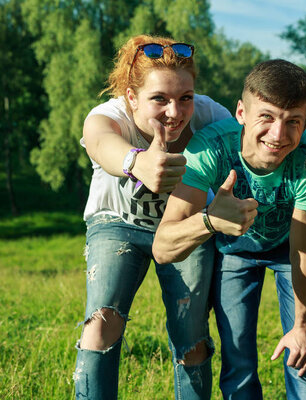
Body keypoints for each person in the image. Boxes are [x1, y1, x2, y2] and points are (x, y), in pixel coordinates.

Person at [153, 59, 306, 399]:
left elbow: (303, 250)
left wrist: (304, 326)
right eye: (266, 116)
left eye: (293, 122)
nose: (278, 135)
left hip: (290, 248)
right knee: (238, 363)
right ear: (241, 112)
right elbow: (162, 247)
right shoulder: (210, 148)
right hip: (234, 251)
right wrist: (210, 220)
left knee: (304, 357)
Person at [73, 34, 231, 399]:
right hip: (117, 223)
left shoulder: (210, 117)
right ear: (131, 97)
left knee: (192, 338)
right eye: (159, 98)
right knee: (101, 323)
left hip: (185, 227)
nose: (174, 113)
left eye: (185, 98)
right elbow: (99, 141)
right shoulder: (110, 115)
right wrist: (136, 161)